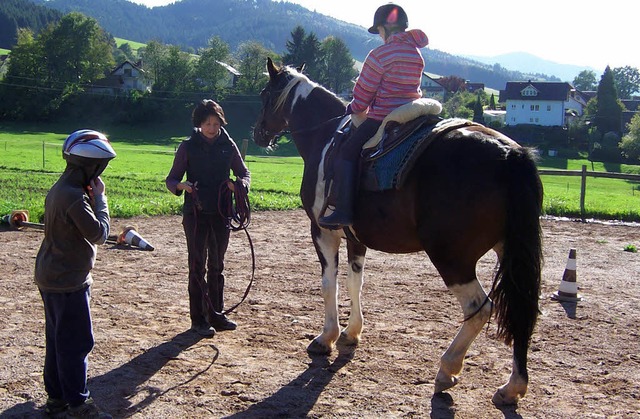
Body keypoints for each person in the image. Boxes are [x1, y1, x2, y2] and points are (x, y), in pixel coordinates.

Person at [318, 3, 429, 230]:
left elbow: (363, 97)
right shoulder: (416, 53)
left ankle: (343, 211)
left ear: (385, 28)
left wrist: (352, 107)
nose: (379, 35)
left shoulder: (380, 55)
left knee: (347, 153)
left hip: (384, 115)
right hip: (413, 113)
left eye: (379, 30)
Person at [35, 129, 116, 419]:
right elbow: (99, 234)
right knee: (77, 341)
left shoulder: (61, 188)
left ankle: (56, 398)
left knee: (58, 340)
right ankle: (79, 404)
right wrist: (101, 201)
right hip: (67, 280)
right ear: (90, 166)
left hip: (52, 275)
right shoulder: (73, 197)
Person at [166, 99, 250, 337]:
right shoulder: (187, 146)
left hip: (222, 212)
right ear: (199, 124)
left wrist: (240, 186)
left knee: (217, 265)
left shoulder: (228, 144)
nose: (212, 128)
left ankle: (216, 314)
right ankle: (198, 319)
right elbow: (171, 179)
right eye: (207, 124)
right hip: (196, 214)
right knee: (197, 265)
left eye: (216, 123)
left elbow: (244, 173)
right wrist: (182, 185)